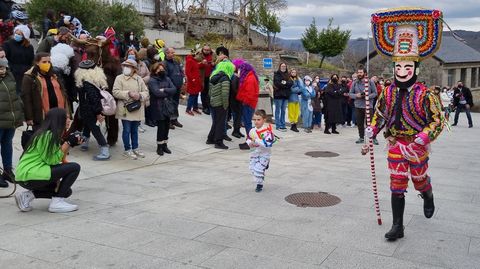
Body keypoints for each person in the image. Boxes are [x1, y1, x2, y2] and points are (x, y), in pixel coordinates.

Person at [366, 12, 445, 241]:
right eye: (398, 69)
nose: (401, 73)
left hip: (417, 145)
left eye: (407, 68)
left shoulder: (425, 94)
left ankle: (427, 194)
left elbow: (437, 120)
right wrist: (373, 129)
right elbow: (380, 114)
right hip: (396, 143)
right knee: (396, 184)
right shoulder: (388, 92)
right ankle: (397, 226)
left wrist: (425, 136)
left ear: (416, 69)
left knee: (419, 180)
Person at [14, 108, 82, 213]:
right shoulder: (47, 136)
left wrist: (70, 143)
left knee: (66, 191)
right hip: (30, 174)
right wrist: (67, 143)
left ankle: (27, 196)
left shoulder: (46, 134)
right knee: (75, 167)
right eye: (67, 118)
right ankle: (57, 203)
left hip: (28, 175)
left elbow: (59, 158)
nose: (69, 120)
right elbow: (52, 161)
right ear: (58, 119)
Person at [112, 59, 149, 159]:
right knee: (127, 130)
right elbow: (115, 92)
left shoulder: (139, 79)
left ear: (134, 69)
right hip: (125, 109)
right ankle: (127, 149)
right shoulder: (119, 78)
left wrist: (139, 95)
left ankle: (135, 148)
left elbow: (146, 92)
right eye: (125, 65)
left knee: (135, 130)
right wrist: (128, 93)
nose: (126, 68)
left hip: (136, 108)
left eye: (129, 66)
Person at [22, 52, 69, 130]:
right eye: (44, 62)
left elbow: (63, 93)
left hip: (58, 112)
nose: (47, 64)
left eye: (49, 62)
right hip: (42, 115)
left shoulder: (54, 75)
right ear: (37, 62)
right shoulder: (30, 77)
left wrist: (67, 113)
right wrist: (29, 117)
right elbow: (26, 98)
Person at [75, 60, 110, 160]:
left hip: (90, 111)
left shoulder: (87, 83)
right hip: (88, 110)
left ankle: (104, 151)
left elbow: (94, 100)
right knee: (87, 125)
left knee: (95, 129)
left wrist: (98, 113)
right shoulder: (95, 80)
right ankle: (85, 142)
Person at [0, 58, 23, 188]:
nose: (2, 70)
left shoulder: (9, 77)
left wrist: (20, 113)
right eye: (0, 68)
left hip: (11, 119)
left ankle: (7, 171)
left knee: (7, 144)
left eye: (3, 68)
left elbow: (16, 96)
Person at [147, 62, 177, 156]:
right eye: (159, 69)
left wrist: (164, 90)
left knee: (167, 125)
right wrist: (168, 92)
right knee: (161, 127)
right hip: (158, 106)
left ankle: (165, 144)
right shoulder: (152, 80)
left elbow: (174, 89)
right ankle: (159, 146)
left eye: (162, 69)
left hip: (167, 106)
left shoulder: (167, 79)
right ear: (155, 71)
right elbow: (156, 93)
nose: (161, 71)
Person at [206, 59, 235, 150]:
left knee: (215, 122)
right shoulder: (225, 78)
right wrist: (225, 105)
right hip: (221, 104)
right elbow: (225, 94)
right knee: (220, 123)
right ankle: (218, 142)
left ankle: (210, 139)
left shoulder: (213, 76)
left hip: (213, 102)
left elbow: (210, 92)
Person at [246, 109, 277, 192]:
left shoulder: (267, 131)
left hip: (265, 154)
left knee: (258, 169)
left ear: (264, 119)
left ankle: (259, 184)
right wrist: (250, 143)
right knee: (252, 168)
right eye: (254, 119)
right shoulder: (252, 130)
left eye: (258, 119)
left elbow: (268, 144)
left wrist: (257, 141)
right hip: (255, 153)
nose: (256, 122)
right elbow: (248, 138)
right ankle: (262, 171)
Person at [3, 24, 34, 95]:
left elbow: (31, 60)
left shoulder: (29, 47)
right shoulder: (8, 44)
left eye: (19, 34)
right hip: (13, 73)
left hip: (26, 73)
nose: (17, 35)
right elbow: (4, 57)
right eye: (16, 33)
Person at [349, 67, 377, 143]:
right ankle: (361, 137)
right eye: (358, 72)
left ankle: (373, 138)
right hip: (358, 106)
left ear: (364, 73)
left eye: (361, 72)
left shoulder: (370, 82)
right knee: (360, 123)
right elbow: (350, 94)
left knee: (371, 123)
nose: (359, 74)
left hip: (368, 106)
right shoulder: (355, 82)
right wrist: (356, 95)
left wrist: (367, 96)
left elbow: (375, 93)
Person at [236, 61, 259, 149]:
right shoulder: (251, 76)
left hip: (248, 104)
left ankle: (249, 142)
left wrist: (244, 102)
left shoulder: (250, 78)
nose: (239, 71)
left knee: (248, 123)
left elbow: (249, 93)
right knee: (248, 123)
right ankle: (249, 140)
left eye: (240, 69)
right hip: (250, 103)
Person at [163, 47, 184, 129]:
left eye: (173, 52)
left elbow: (180, 72)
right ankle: (168, 121)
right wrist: (171, 86)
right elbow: (166, 76)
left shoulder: (176, 62)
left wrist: (182, 80)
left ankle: (174, 119)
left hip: (177, 87)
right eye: (172, 53)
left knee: (175, 103)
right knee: (169, 104)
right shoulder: (164, 63)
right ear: (167, 53)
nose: (173, 54)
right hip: (171, 88)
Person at [273, 62, 292, 132]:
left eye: (284, 66)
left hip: (286, 96)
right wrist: (286, 84)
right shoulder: (276, 74)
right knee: (278, 110)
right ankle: (278, 125)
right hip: (278, 95)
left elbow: (291, 83)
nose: (283, 67)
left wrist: (284, 82)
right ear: (280, 67)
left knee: (283, 111)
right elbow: (277, 83)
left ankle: (283, 125)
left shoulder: (288, 75)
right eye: (282, 66)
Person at [198, 44, 216, 115]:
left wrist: (213, 64)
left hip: (211, 76)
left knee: (209, 92)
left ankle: (209, 107)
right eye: (205, 50)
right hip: (202, 76)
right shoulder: (199, 55)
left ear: (210, 50)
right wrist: (202, 63)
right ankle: (205, 107)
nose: (206, 51)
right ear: (203, 49)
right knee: (203, 92)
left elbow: (216, 62)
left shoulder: (213, 55)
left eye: (208, 50)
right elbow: (196, 65)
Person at [185, 49, 203, 116]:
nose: (201, 57)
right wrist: (193, 79)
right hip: (193, 82)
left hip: (196, 81)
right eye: (200, 55)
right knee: (192, 95)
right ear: (196, 54)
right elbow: (187, 72)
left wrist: (202, 64)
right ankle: (188, 109)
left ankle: (195, 108)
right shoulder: (190, 61)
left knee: (196, 94)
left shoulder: (194, 61)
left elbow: (196, 67)